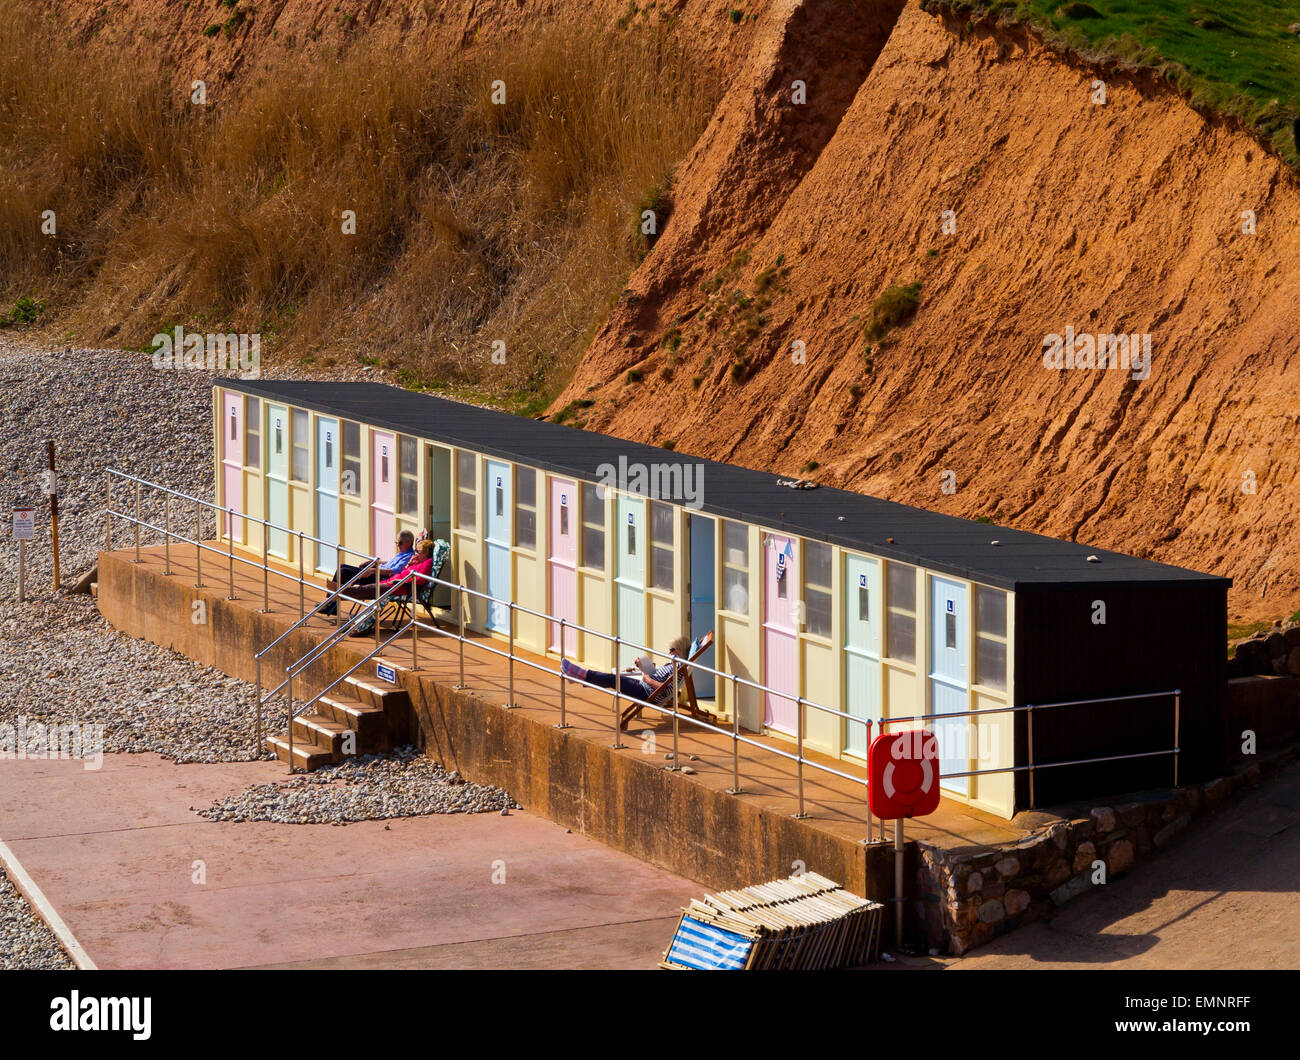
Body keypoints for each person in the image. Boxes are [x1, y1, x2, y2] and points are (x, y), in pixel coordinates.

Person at [343, 539, 437, 635]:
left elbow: (419, 580)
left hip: (401, 587)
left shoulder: (427, 563)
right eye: (416, 551)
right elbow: (404, 572)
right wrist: (410, 563)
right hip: (394, 584)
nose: (416, 554)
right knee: (369, 592)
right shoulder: (418, 562)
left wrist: (400, 581)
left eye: (419, 552)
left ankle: (341, 592)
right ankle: (356, 624)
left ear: (426, 554)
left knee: (368, 589)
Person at [317, 530, 416, 616]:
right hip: (376, 572)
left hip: (380, 577)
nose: (398, 545)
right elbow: (390, 563)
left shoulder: (408, 555)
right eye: (396, 543)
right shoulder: (402, 553)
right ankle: (332, 604)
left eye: (400, 543)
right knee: (342, 567)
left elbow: (396, 571)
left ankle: (331, 604)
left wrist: (373, 570)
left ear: (409, 543)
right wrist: (376, 562)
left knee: (344, 572)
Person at [561, 636, 691, 700]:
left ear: (679, 650)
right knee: (612, 680)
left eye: (671, 650)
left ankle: (579, 674)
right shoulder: (674, 665)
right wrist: (644, 666)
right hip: (643, 686)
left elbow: (667, 690)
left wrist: (649, 680)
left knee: (612, 679)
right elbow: (661, 679)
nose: (669, 653)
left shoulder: (678, 668)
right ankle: (578, 677)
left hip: (644, 691)